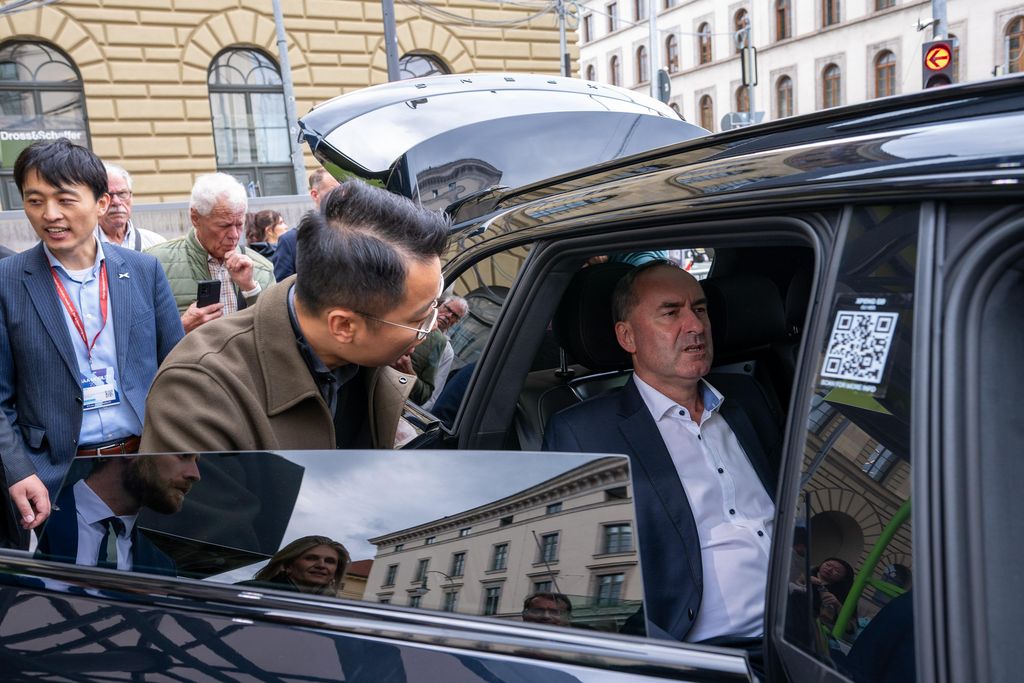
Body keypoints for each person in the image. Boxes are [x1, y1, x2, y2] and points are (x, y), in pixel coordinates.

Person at [543, 260, 778, 644]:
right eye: (671, 313)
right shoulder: (583, 433)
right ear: (628, 337)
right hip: (709, 654)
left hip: (805, 626)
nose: (696, 326)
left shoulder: (747, 398)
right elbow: (579, 581)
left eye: (699, 309)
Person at [140, 179, 449, 453]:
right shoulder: (200, 390)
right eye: (420, 319)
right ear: (343, 326)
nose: (429, 332)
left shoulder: (366, 362)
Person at [0, 139, 184, 547]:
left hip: (142, 464)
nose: (50, 215)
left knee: (143, 585)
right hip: (52, 474)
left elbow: (179, 370)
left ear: (102, 203)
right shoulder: (8, 281)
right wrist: (18, 471)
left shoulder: (142, 271)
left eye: (65, 200)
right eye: (35, 201)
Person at [146, 172, 276, 333]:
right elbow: (137, 340)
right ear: (195, 218)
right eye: (224, 226)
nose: (234, 235)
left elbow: (275, 333)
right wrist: (182, 327)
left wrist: (251, 290)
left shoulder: (261, 268)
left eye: (239, 224)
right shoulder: (155, 263)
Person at [35, 453, 200, 574]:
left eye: (196, 461)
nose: (195, 474)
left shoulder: (162, 568)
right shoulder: (30, 516)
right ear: (134, 449)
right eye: (183, 455)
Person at [273, 167, 340, 280]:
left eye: (344, 190)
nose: (342, 196)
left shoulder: (357, 232)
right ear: (315, 195)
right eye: (335, 191)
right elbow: (283, 290)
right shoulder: (290, 241)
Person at [239, 535, 350, 597]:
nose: (321, 565)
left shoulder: (331, 606)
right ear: (287, 565)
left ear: (335, 571)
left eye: (329, 561)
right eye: (311, 558)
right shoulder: (252, 591)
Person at [97, 163, 166, 251]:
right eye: (108, 195)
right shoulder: (84, 247)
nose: (117, 202)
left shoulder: (155, 243)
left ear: (131, 196)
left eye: (122, 194)